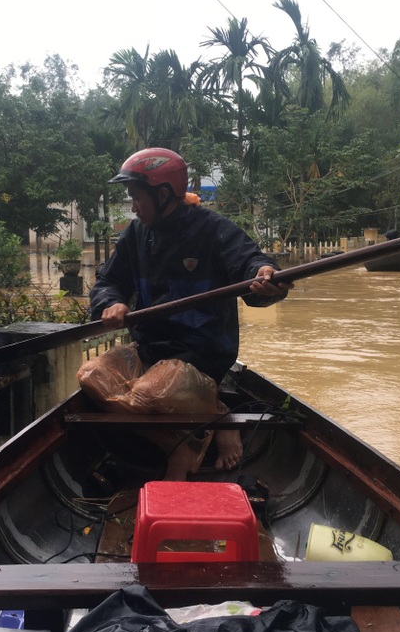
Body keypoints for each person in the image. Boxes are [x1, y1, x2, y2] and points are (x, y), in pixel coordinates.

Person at [81, 147, 291, 480]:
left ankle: (210, 408)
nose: (133, 207)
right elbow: (108, 282)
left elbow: (251, 262)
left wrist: (265, 275)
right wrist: (110, 303)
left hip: (200, 356)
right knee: (91, 378)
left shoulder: (213, 229)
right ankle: (191, 434)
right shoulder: (136, 235)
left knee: (149, 393)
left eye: (138, 198)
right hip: (150, 351)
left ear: (163, 194)